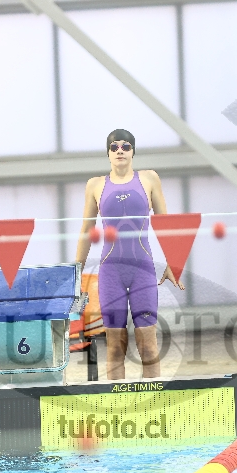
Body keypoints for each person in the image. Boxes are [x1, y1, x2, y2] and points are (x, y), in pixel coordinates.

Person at [75, 129, 183, 380]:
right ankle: (117, 401)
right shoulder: (95, 185)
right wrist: (76, 270)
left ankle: (154, 400)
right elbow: (87, 230)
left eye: (126, 146)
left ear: (133, 151)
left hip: (142, 270)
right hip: (111, 273)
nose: (120, 151)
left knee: (148, 345)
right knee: (115, 346)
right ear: (108, 153)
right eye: (114, 147)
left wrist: (173, 262)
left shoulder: (149, 179)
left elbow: (165, 224)